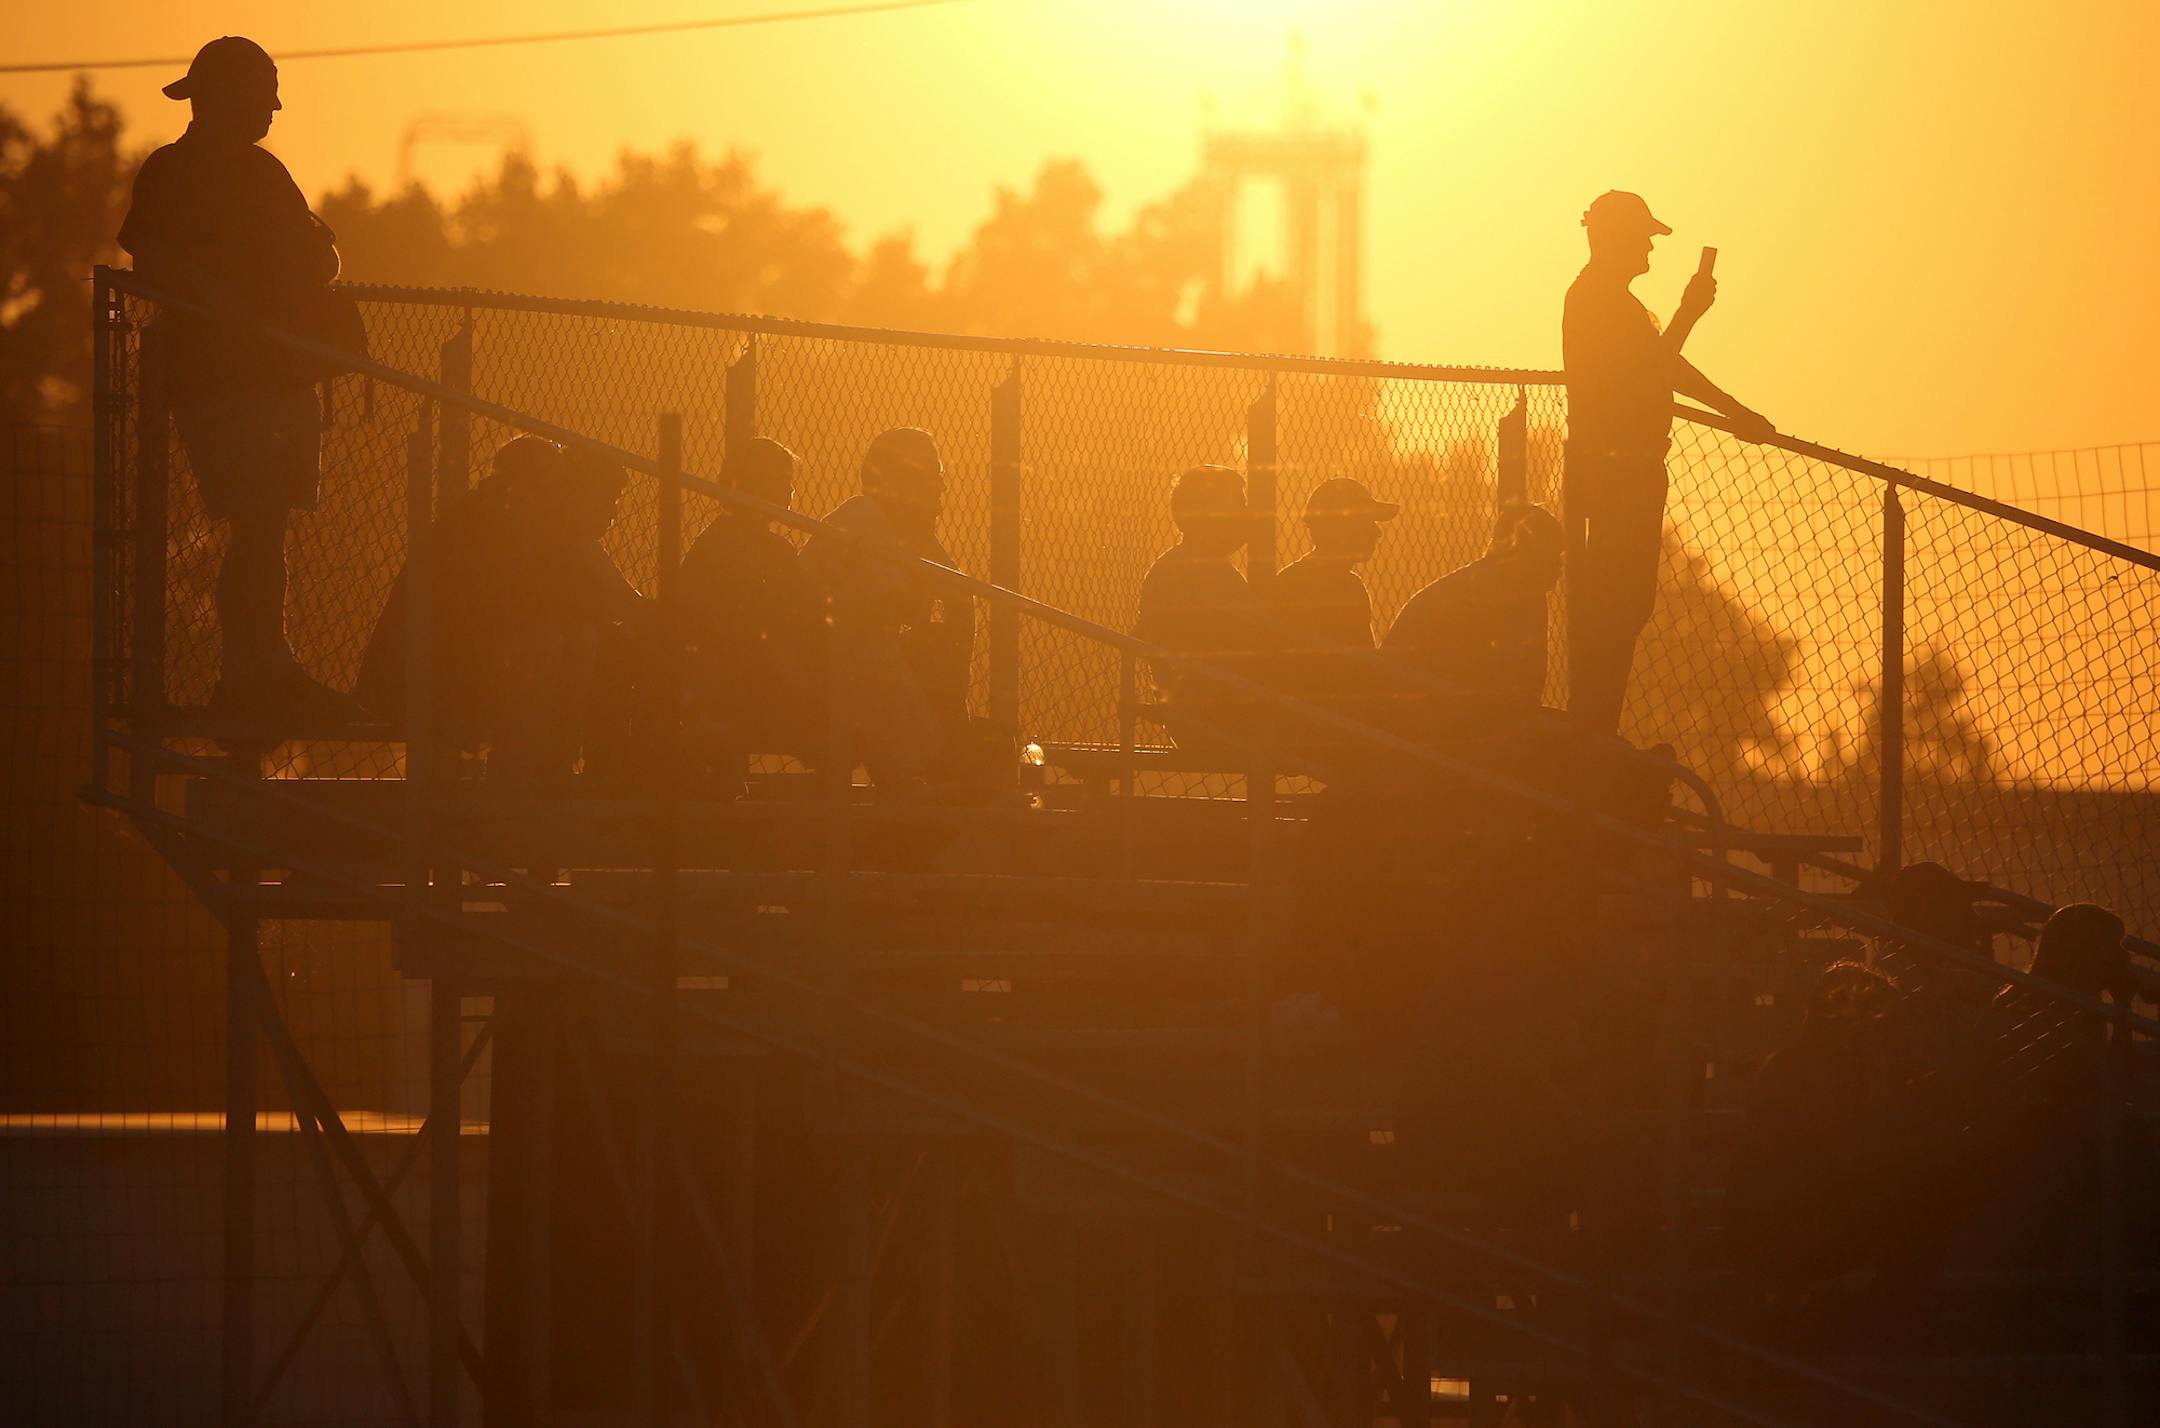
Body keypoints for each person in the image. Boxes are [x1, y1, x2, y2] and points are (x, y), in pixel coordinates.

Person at [117, 37, 358, 721]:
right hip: (220, 379)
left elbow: (319, 260)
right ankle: (254, 671)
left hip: (276, 374)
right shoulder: (174, 170)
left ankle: (260, 668)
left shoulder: (263, 172)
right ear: (226, 95)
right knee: (256, 517)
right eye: (263, 94)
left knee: (267, 524)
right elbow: (151, 252)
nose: (273, 109)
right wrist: (228, 306)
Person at [1562, 190, 1774, 736]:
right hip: (1617, 475)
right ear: (1613, 238)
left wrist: (1738, 412)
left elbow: (1661, 367)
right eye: (1642, 239)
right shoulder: (1595, 299)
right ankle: (1593, 740)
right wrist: (1689, 311)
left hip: (1626, 473)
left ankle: (1596, 736)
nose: (1649, 251)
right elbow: (1652, 371)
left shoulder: (1609, 301)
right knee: (1613, 610)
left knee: (1625, 608)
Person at [356, 436, 646, 785]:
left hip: (463, 659)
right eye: (606, 498)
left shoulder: (545, 531)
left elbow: (610, 604)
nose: (613, 512)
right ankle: (522, 775)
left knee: (592, 642)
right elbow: (515, 611)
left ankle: (570, 769)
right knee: (554, 643)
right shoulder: (498, 523)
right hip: (428, 664)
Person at [798, 428, 971, 790]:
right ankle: (926, 770)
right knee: (881, 658)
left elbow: (952, 587)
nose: (939, 491)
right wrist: (928, 604)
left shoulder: (911, 532)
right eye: (927, 478)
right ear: (897, 480)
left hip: (855, 659)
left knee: (914, 656)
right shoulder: (862, 516)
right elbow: (895, 600)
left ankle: (935, 762)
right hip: (817, 662)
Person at [678, 437, 825, 784]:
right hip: (733, 677)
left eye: (789, 484)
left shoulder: (752, 545)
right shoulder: (732, 546)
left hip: (741, 671)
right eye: (782, 483)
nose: (789, 493)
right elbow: (783, 618)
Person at [1132, 465, 1269, 750]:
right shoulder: (1196, 571)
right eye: (1238, 505)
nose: (1246, 515)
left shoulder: (1189, 565)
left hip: (1204, 714)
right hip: (1217, 718)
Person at [1384, 502, 1565, 713]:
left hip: (1467, 711)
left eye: (1559, 555)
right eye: (1549, 555)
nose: (1559, 566)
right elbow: (1483, 688)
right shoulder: (1479, 593)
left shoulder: (1528, 596)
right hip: (1422, 712)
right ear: (1520, 553)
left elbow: (1524, 688)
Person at [1266, 477, 1398, 654]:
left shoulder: (1349, 586)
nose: (1377, 532)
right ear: (1340, 528)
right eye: (1366, 522)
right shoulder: (1296, 588)